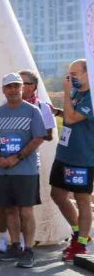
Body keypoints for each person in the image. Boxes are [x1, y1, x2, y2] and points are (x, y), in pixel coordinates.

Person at [0, 73, 45, 269]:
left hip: (26, 171)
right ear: (3, 90)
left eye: (16, 86)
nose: (13, 90)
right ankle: (15, 246)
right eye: (9, 87)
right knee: (10, 209)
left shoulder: (32, 111)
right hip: (2, 170)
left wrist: (16, 158)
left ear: (22, 89)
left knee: (26, 211)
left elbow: (38, 138)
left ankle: (28, 249)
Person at [50, 60, 94, 262]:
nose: (70, 78)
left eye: (74, 74)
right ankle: (78, 230)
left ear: (88, 74)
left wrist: (66, 92)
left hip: (81, 158)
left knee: (82, 198)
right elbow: (67, 115)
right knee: (57, 194)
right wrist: (57, 111)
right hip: (64, 153)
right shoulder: (77, 93)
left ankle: (81, 244)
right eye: (69, 74)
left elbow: (71, 119)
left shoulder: (91, 96)